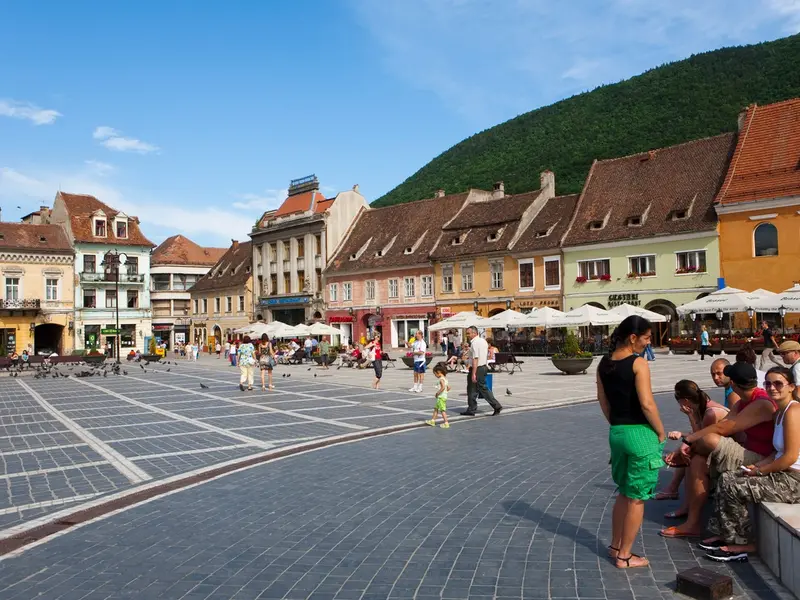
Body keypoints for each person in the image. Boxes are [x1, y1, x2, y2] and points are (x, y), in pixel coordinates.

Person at [661, 362, 778, 538]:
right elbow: (723, 424)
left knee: (708, 440)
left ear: (734, 384)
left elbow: (726, 428)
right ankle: (692, 524)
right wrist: (689, 442)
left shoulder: (761, 402)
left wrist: (688, 441)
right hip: (746, 452)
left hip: (761, 458)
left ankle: (680, 463)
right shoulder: (742, 403)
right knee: (697, 461)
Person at [703, 366, 800, 563]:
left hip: (794, 481)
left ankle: (743, 544)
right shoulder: (780, 412)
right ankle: (725, 534)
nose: (772, 388)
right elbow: (777, 452)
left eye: (778, 383)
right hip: (784, 474)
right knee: (727, 477)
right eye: (768, 383)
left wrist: (761, 471)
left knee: (734, 486)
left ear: (790, 387)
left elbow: (789, 457)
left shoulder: (793, 411)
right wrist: (757, 467)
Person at [597, 315, 665, 569]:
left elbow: (603, 401)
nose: (648, 344)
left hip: (617, 432)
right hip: (640, 433)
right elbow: (647, 403)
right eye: (647, 338)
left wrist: (616, 424)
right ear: (633, 337)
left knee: (624, 492)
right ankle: (625, 555)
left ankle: (615, 545)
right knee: (637, 496)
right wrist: (660, 432)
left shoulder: (603, 363)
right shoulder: (639, 363)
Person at [657, 380, 729, 520]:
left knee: (693, 460)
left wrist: (690, 417)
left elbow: (700, 438)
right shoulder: (702, 407)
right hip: (715, 446)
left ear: (685, 401)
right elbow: (698, 435)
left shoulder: (710, 412)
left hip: (725, 451)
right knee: (688, 454)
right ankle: (679, 498)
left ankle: (687, 509)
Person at [462, 326, 503, 416]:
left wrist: (473, 373)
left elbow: (476, 358)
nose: (467, 335)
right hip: (483, 367)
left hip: (477, 368)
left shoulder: (475, 343)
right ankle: (471, 409)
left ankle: (496, 406)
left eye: (468, 333)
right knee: (475, 388)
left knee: (478, 388)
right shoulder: (483, 341)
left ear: (474, 333)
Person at [426, 362, 451, 429]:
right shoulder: (445, 378)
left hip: (441, 397)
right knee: (436, 409)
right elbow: (448, 387)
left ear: (439, 372)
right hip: (443, 397)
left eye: (435, 374)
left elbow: (443, 387)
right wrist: (445, 392)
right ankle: (432, 421)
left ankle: (446, 423)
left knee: (442, 410)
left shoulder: (441, 379)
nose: (435, 375)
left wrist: (438, 393)